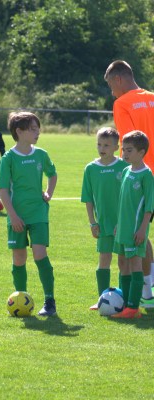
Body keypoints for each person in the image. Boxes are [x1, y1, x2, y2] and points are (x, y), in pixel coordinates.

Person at [104, 60, 154, 305]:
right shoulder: (152, 98)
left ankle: (146, 292)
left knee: (137, 233)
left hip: (143, 176)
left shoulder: (122, 103)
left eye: (111, 86)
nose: (112, 93)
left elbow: (129, 145)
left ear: (118, 79)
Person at [0, 111, 58, 316]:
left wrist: (49, 193)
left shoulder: (41, 154)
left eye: (38, 129)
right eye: (33, 129)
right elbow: (3, 190)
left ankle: (49, 301)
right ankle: (20, 297)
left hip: (38, 213)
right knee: (19, 257)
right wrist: (13, 216)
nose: (37, 132)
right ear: (19, 132)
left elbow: (52, 174)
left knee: (40, 254)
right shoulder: (8, 158)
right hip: (17, 216)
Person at [81, 127, 128, 310]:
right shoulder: (91, 169)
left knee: (123, 261)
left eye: (107, 145)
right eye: (99, 144)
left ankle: (125, 300)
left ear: (117, 147)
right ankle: (102, 298)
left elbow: (129, 198)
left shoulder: (124, 167)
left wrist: (123, 223)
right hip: (103, 225)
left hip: (122, 224)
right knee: (104, 260)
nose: (102, 148)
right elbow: (88, 199)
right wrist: (92, 222)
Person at [111, 131, 154, 318]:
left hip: (136, 230)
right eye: (123, 149)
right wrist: (118, 224)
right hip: (123, 228)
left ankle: (133, 308)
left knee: (135, 264)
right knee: (122, 263)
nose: (124, 153)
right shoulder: (126, 171)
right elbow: (122, 202)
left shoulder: (146, 175)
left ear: (141, 152)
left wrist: (143, 229)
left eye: (129, 150)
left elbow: (149, 206)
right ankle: (125, 302)